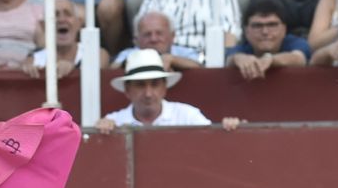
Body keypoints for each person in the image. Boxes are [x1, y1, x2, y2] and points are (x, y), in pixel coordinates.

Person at [97, 47, 238, 131]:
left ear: (165, 88)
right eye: (140, 85)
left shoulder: (188, 116)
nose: (148, 93)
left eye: (154, 84)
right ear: (127, 90)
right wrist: (102, 131)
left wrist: (232, 127)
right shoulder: (112, 122)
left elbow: (213, 141)